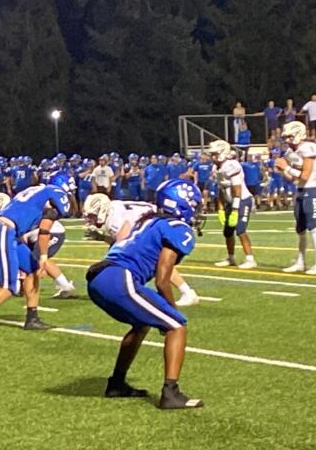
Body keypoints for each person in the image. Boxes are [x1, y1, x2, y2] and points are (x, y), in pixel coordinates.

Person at [85, 179, 203, 410]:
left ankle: (117, 383)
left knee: (141, 324)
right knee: (177, 325)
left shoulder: (146, 221)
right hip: (119, 278)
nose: (197, 210)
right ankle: (171, 393)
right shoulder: (178, 228)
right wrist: (171, 310)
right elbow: (162, 277)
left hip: (100, 276)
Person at [0, 174, 72, 337]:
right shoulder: (54, 194)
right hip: (4, 231)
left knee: (31, 269)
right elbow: (44, 230)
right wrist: (43, 257)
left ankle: (32, 318)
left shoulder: (36, 190)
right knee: (8, 286)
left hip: (10, 232)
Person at [82, 193, 202, 307]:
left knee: (158, 260)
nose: (90, 219)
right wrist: (103, 237)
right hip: (154, 218)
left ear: (102, 210)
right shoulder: (114, 208)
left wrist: (103, 238)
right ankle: (187, 292)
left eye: (92, 215)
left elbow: (123, 245)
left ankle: (186, 293)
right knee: (159, 261)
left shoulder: (113, 218)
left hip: (157, 222)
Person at [274, 121, 316, 275]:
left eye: (290, 136)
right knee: (300, 229)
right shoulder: (290, 152)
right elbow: (292, 178)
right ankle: (301, 262)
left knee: (314, 226)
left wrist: (286, 167)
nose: (288, 140)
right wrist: (282, 171)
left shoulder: (308, 148)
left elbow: (305, 175)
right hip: (300, 190)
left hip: (311, 189)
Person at [206, 141, 256, 270]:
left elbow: (237, 190)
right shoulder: (216, 168)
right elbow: (221, 189)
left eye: (215, 154)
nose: (213, 157)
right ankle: (231, 257)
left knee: (241, 230)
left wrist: (235, 209)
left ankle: (250, 259)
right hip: (230, 201)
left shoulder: (232, 165)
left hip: (242, 200)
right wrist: (221, 208)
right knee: (228, 232)